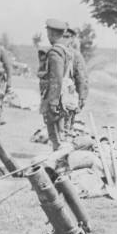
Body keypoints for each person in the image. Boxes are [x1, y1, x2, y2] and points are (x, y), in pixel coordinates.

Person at [38, 19, 78, 150]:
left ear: (52, 34)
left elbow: (56, 78)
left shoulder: (55, 52)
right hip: (66, 96)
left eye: (49, 33)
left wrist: (53, 101)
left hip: (58, 97)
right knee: (62, 133)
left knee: (55, 134)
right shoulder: (66, 51)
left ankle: (58, 160)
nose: (48, 36)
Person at [63, 26, 89, 132]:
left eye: (67, 37)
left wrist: (82, 98)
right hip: (57, 95)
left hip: (69, 94)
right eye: (63, 36)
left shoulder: (75, 55)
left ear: (72, 39)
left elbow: (81, 78)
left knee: (67, 126)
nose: (65, 39)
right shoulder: (55, 52)